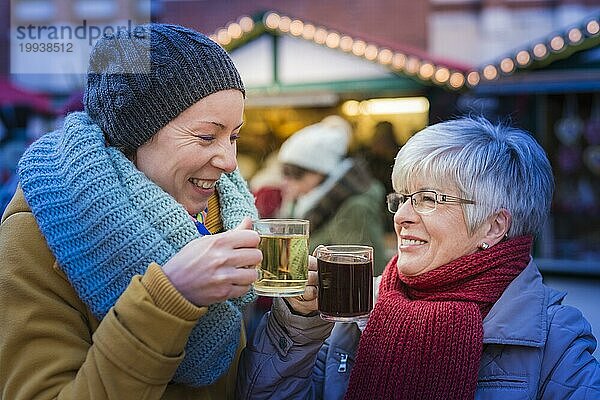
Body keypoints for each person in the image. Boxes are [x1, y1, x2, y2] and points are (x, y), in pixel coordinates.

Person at [237, 116, 600, 399]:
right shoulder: (359, 306)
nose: (401, 216)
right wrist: (299, 324)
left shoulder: (555, 339)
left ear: (493, 226)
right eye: (402, 198)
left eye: (428, 199)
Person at [0, 23, 263, 399]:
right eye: (207, 136)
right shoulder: (38, 231)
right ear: (133, 134)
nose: (230, 162)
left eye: (234, 136)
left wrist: (295, 328)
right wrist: (169, 296)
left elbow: (232, 382)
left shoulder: (224, 212)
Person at [277, 115, 387, 275]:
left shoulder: (355, 207)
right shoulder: (304, 203)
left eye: (295, 173)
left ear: (320, 171)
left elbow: (366, 274)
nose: (286, 181)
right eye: (284, 172)